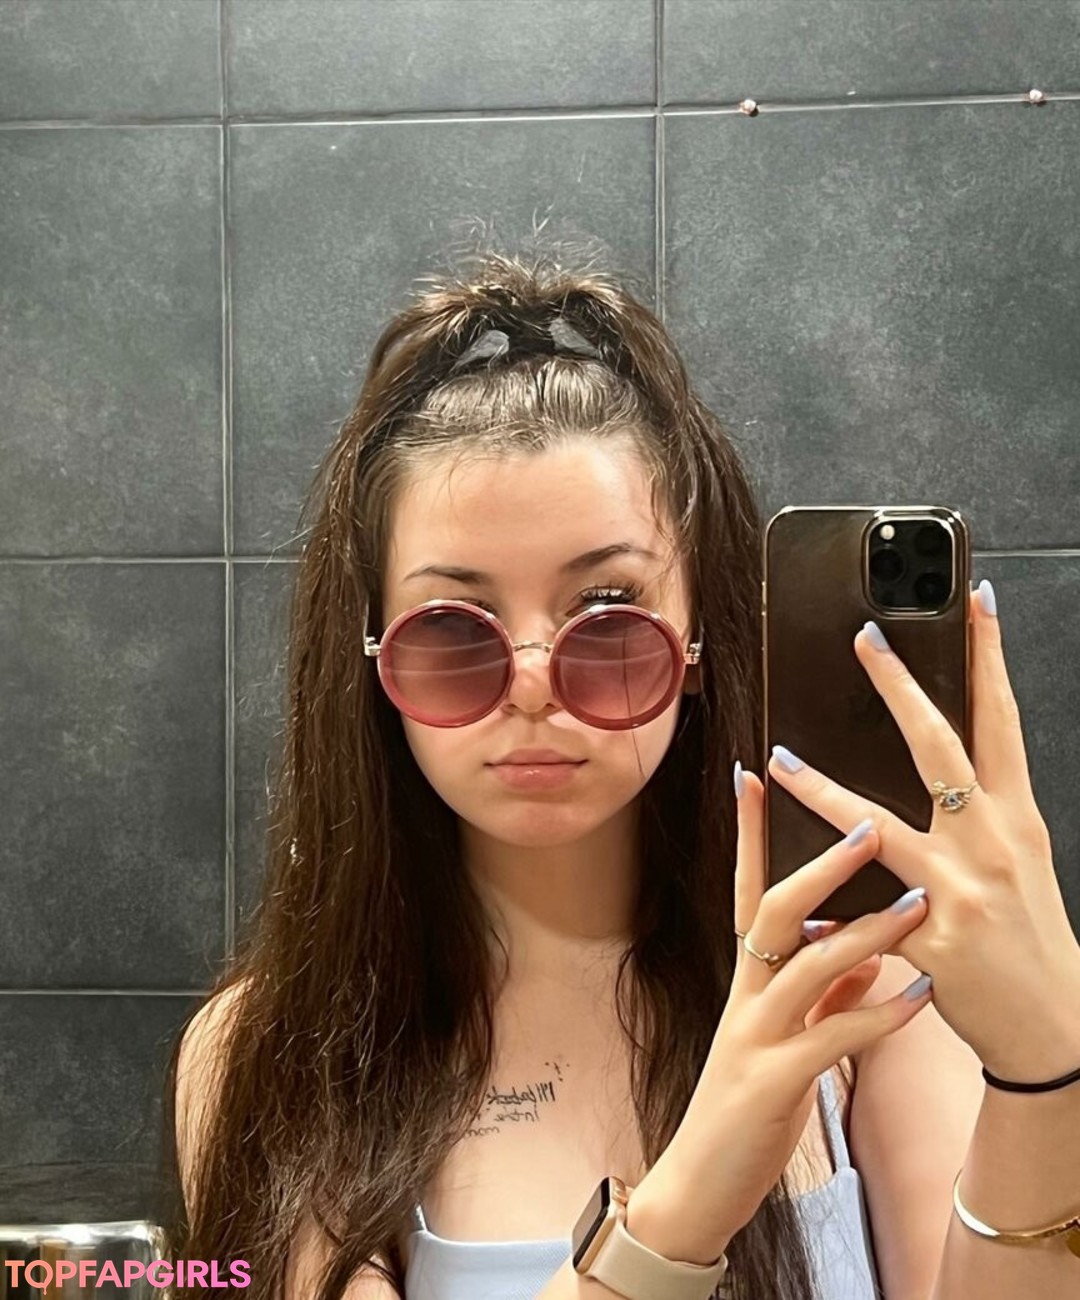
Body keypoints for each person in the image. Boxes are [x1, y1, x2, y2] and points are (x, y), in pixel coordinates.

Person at [160, 246, 1080, 1300]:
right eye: (454, 627)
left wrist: (1050, 1065)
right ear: (372, 659)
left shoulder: (863, 993)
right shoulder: (274, 1052)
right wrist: (686, 1205)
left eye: (607, 614)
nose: (533, 685)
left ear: (698, 640)